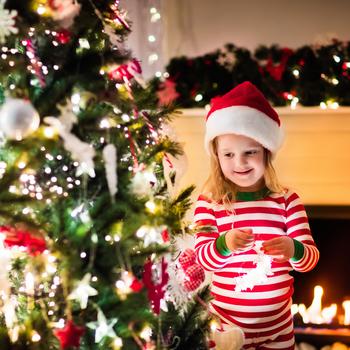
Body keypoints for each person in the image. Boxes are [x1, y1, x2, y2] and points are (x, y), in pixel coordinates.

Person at [194, 81, 319, 350]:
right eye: (229, 154)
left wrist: (293, 249)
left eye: (250, 152)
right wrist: (223, 244)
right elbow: (201, 259)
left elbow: (309, 259)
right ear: (217, 156)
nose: (240, 162)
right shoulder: (209, 203)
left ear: (266, 152)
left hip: (278, 331)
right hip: (226, 329)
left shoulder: (287, 201)